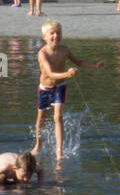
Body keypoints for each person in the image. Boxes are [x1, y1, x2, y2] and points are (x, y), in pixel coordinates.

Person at [34, 20, 103, 161]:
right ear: (44, 37)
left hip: (59, 87)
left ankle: (59, 151)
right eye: (51, 33)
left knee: (57, 116)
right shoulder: (42, 54)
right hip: (45, 88)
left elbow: (79, 62)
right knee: (41, 117)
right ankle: (38, 144)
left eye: (58, 33)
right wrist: (67, 74)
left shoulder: (65, 50)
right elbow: (50, 73)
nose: (55, 36)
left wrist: (95, 66)